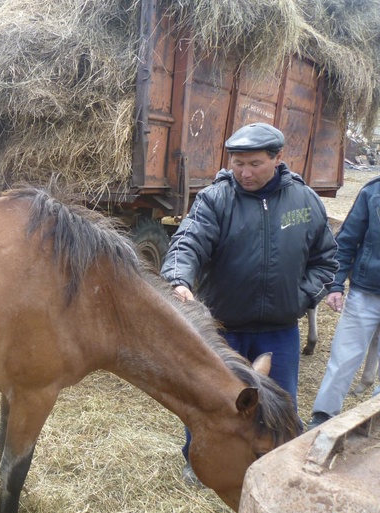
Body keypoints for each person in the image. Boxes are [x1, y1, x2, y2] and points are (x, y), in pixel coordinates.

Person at [160, 122, 338, 484]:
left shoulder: (304, 201)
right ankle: (198, 461)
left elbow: (326, 261)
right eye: (238, 163)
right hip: (223, 327)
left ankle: (277, 463)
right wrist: (179, 279)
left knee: (281, 401)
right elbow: (188, 241)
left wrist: (300, 298)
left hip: (279, 330)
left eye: (254, 163)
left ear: (277, 158)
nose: (244, 172)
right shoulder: (217, 198)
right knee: (209, 400)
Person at [308, 174, 380, 429]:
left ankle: (375, 423)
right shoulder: (373, 192)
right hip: (366, 292)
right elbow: (347, 239)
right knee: (343, 357)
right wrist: (336, 285)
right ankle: (323, 416)